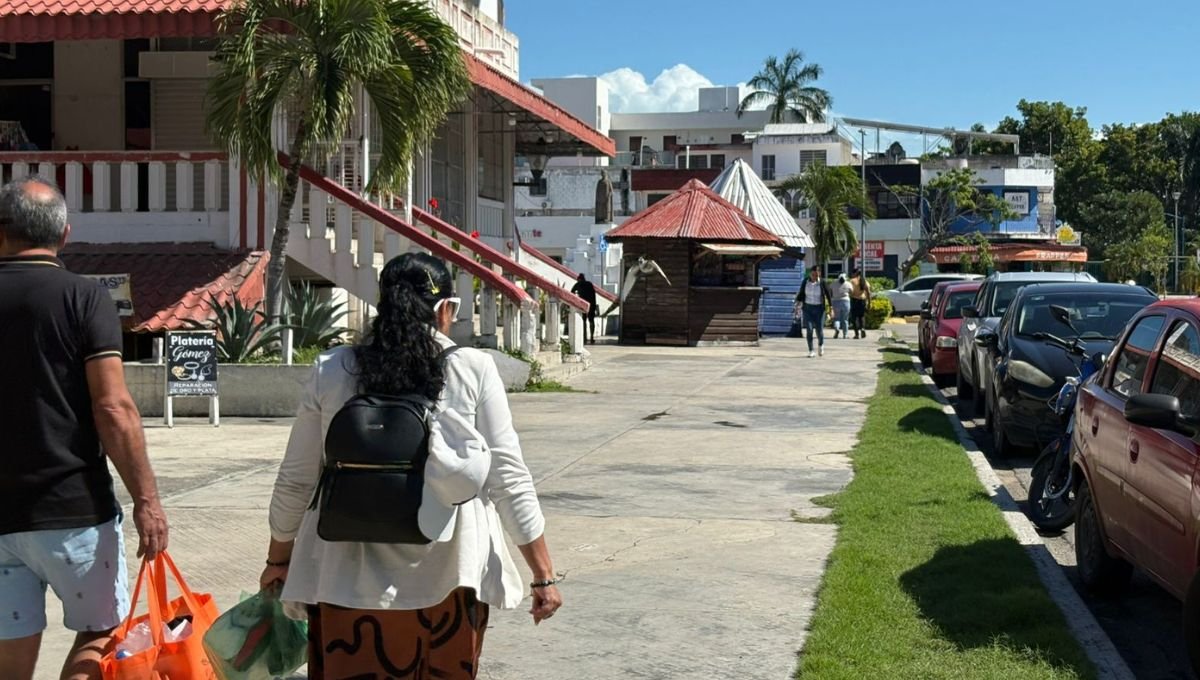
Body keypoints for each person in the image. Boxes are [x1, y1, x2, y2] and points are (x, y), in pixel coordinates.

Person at [264, 253, 561, 679]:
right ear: (446, 310)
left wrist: (278, 560)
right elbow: (508, 477)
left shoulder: (333, 368)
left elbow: (296, 479)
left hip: (343, 580)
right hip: (449, 579)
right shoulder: (473, 369)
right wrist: (543, 575)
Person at [0, 176, 169, 680]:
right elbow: (113, 407)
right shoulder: (84, 298)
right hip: (72, 509)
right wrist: (147, 500)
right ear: (65, 234)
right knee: (99, 633)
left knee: (9, 650)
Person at [794, 267, 833, 358]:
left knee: (819, 330)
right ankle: (811, 350)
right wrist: (797, 306)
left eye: (816, 275)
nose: (814, 277)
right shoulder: (805, 282)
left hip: (819, 309)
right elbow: (801, 294)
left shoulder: (822, 282)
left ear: (819, 274)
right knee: (809, 330)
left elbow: (828, 295)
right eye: (813, 274)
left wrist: (831, 308)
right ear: (810, 274)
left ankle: (821, 344)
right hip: (807, 308)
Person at [571, 273, 599, 344]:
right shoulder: (589, 284)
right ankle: (592, 337)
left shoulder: (578, 284)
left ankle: (584, 338)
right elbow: (593, 295)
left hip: (582, 304)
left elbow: (572, 292)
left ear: (579, 279)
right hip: (591, 304)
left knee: (583, 321)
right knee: (591, 321)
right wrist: (594, 306)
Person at [849, 269, 872, 339]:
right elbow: (868, 292)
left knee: (853, 318)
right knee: (861, 316)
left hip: (854, 300)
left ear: (855, 273)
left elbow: (849, 291)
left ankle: (856, 334)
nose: (852, 275)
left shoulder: (852, 281)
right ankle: (862, 328)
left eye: (853, 273)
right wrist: (869, 302)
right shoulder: (864, 281)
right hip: (862, 300)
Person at [831, 274, 853, 339]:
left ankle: (837, 329)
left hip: (835, 301)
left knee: (836, 318)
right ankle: (845, 335)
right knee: (845, 319)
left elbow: (830, 290)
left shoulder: (834, 283)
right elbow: (851, 291)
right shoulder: (848, 284)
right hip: (846, 301)